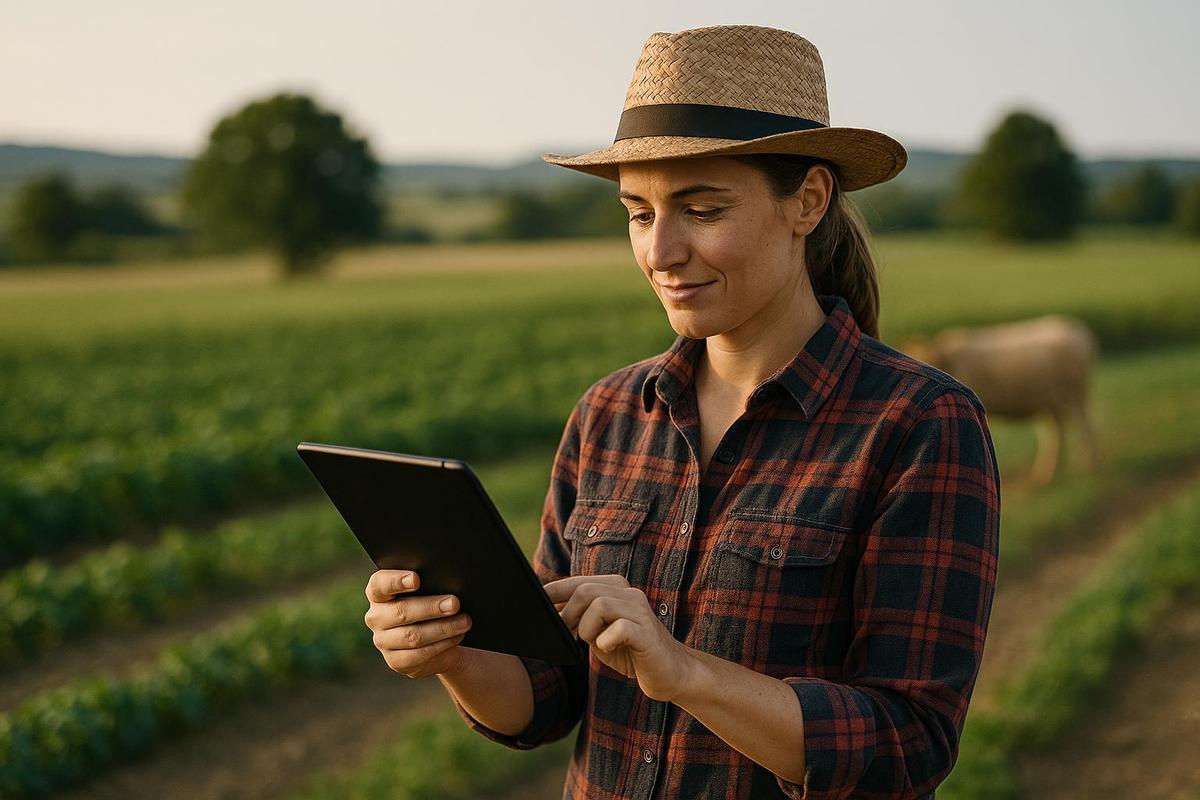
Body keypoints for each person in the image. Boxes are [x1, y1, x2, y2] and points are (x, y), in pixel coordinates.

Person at [362, 24, 1001, 800]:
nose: (660, 252)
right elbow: (548, 695)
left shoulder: (919, 424)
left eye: (700, 210)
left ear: (807, 201)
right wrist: (454, 655)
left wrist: (686, 672)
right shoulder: (607, 414)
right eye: (638, 212)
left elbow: (908, 743)